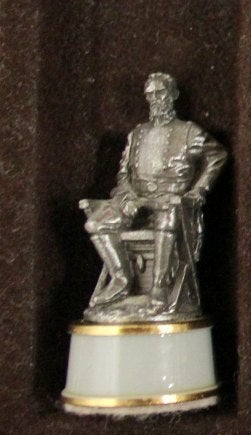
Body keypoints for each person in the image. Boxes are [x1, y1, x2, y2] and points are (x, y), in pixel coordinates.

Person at [80, 72, 227, 320]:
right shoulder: (137, 134)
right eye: (150, 95)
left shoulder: (188, 132)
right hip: (135, 201)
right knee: (95, 222)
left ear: (173, 95)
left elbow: (217, 156)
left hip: (170, 201)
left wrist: (198, 190)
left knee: (168, 215)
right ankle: (121, 279)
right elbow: (123, 173)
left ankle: (159, 288)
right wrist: (128, 196)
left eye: (160, 93)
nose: (155, 99)